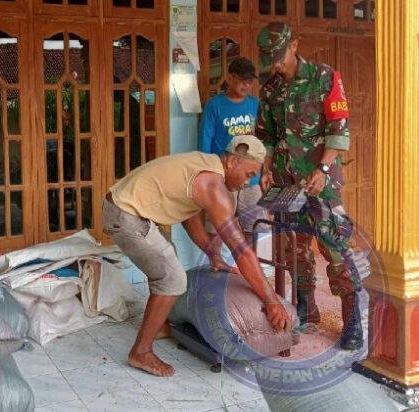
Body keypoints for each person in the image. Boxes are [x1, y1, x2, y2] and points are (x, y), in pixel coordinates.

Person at [102, 135, 291, 377]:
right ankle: (141, 352)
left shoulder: (205, 165)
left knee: (166, 258)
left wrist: (212, 253)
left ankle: (158, 325)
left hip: (123, 207)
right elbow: (242, 251)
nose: (248, 182)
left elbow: (188, 212)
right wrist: (271, 300)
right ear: (232, 161)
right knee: (173, 279)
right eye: (248, 174)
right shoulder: (214, 187)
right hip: (125, 214)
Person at [255, 21, 363, 350]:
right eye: (270, 59)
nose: (276, 64)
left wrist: (323, 167)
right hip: (286, 183)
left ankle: (352, 319)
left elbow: (338, 130)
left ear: (295, 44)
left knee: (335, 248)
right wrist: (266, 168)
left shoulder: (324, 78)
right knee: (294, 249)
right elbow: (266, 136)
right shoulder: (270, 89)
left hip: (321, 184)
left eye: (279, 56)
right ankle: (306, 307)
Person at [199, 57, 267, 239]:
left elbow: (264, 139)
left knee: (256, 228)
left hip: (251, 179)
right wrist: (208, 174)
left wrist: (265, 171)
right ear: (230, 78)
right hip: (223, 177)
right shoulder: (214, 105)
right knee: (218, 228)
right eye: (242, 80)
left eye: (250, 81)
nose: (246, 85)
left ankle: (251, 258)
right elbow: (205, 140)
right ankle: (215, 258)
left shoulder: (255, 105)